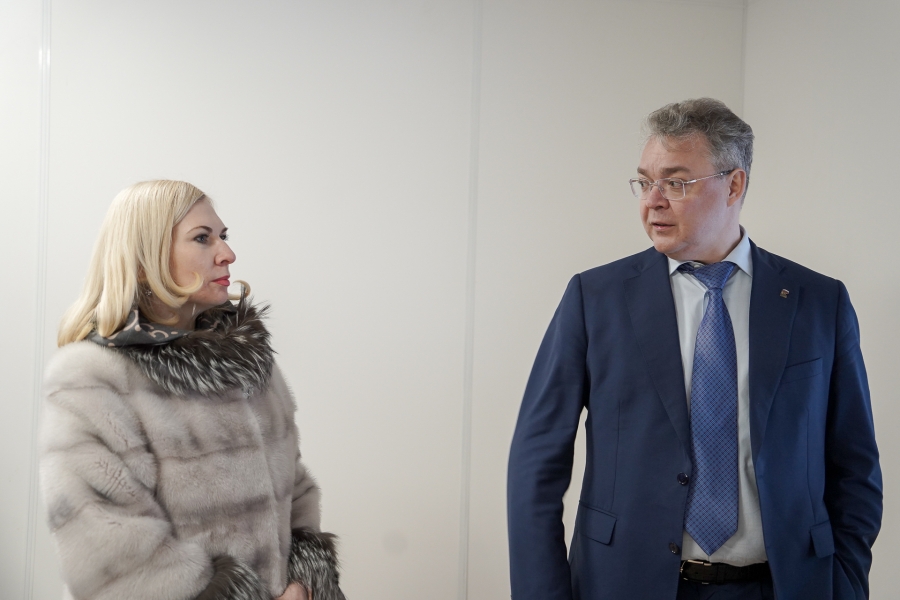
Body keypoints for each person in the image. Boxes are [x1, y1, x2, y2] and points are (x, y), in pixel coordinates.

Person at [507, 99, 882, 599]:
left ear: (734, 185)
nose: (653, 201)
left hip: (783, 586)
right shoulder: (595, 298)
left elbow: (855, 465)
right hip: (626, 584)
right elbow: (535, 463)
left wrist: (847, 584)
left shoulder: (818, 301)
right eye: (645, 182)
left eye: (676, 183)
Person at [40, 180, 346, 600]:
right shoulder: (93, 378)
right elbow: (109, 552)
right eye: (203, 238)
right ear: (144, 260)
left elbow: (295, 491)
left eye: (223, 236)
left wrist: (304, 581)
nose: (227, 253)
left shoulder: (248, 366)